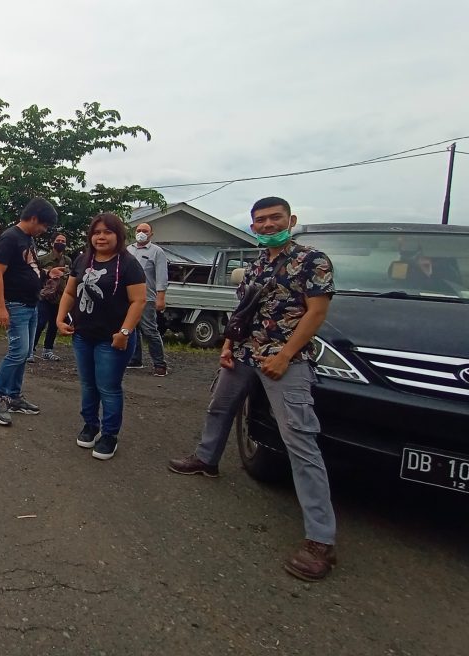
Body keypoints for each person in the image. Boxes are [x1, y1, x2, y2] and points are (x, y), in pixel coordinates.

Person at [168, 196, 339, 581]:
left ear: (291, 220)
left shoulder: (312, 260)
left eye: (274, 218)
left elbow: (317, 313)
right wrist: (228, 344)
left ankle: (321, 540)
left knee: (300, 441)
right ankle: (206, 460)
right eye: (259, 220)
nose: (266, 225)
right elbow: (243, 310)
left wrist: (285, 355)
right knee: (219, 407)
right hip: (244, 351)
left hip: (285, 361)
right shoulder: (257, 262)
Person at [56, 213, 147, 459]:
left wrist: (125, 332)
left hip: (113, 339)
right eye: (96, 232)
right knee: (88, 384)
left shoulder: (128, 264)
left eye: (107, 232)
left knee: (108, 387)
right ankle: (90, 425)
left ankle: (109, 435)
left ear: (118, 235)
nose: (101, 237)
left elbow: (138, 301)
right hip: (83, 335)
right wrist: (60, 318)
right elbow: (70, 293)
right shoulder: (82, 259)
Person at [0, 197, 58, 426]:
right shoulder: (10, 238)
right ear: (34, 218)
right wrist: (0, 307)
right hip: (15, 304)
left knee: (25, 353)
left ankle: (14, 396)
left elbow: (27, 268)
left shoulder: (27, 239)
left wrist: (48, 274)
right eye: (44, 225)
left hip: (31, 304)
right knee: (17, 352)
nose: (44, 230)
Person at [126, 221, 169, 376]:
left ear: (151, 234)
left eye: (145, 231)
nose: (141, 233)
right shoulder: (128, 250)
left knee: (149, 330)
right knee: (132, 329)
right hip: (129, 297)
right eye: (138, 230)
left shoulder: (157, 252)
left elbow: (162, 275)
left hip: (147, 298)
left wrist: (161, 297)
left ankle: (160, 364)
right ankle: (135, 359)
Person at [32, 233, 71, 362]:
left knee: (54, 324)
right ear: (52, 242)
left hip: (60, 298)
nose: (61, 243)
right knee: (40, 322)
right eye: (58, 240)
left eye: (63, 241)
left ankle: (48, 350)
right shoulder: (43, 260)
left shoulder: (68, 261)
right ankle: (30, 349)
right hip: (44, 297)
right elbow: (36, 276)